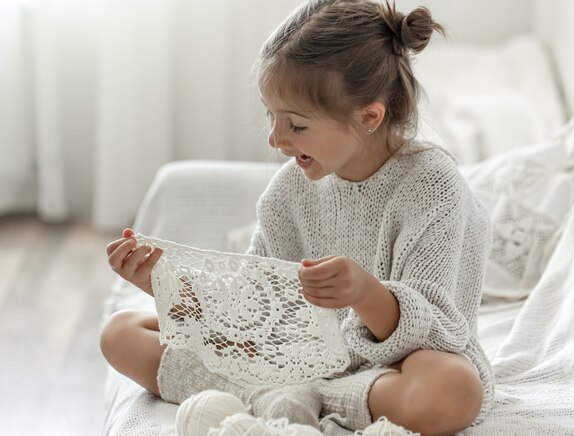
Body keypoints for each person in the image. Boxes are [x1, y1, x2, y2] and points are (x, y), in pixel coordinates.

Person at [100, 1, 494, 434]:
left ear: (369, 117)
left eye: (296, 125)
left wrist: (364, 292)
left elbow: (437, 334)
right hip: (292, 356)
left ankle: (296, 398)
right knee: (122, 332)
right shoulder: (289, 191)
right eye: (272, 116)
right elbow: (252, 308)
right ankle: (288, 395)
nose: (276, 138)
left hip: (389, 368)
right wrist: (166, 288)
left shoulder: (433, 187)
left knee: (453, 388)